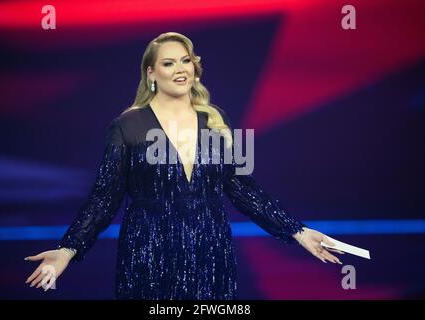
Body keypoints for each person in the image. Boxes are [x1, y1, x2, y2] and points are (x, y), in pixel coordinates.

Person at [24, 32, 344, 299]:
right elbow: (105, 198)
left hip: (210, 254)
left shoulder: (216, 121)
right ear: (151, 73)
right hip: (148, 254)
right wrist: (68, 249)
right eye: (168, 63)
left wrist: (297, 232)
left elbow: (243, 190)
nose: (180, 69)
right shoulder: (127, 126)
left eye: (185, 60)